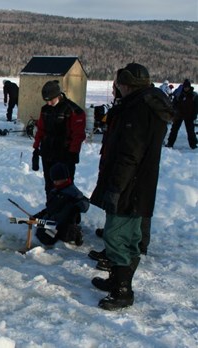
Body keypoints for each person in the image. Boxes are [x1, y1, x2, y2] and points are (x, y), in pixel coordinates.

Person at [89, 63, 173, 311]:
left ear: (126, 85)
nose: (117, 89)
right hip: (138, 183)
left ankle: (122, 290)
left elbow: (129, 154)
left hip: (130, 185)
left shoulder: (137, 110)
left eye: (119, 85)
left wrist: (116, 187)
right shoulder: (148, 105)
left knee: (116, 235)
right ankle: (117, 279)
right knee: (131, 236)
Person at [32, 80, 86, 197]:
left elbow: (78, 134)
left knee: (64, 186)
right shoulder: (45, 109)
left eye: (51, 100)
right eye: (46, 101)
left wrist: (73, 153)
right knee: (49, 185)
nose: (49, 103)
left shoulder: (72, 110)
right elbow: (40, 130)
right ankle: (51, 208)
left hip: (64, 154)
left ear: (58, 95)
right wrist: (36, 148)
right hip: (47, 153)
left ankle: (66, 212)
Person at [33, 163, 89, 246]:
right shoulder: (54, 191)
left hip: (66, 223)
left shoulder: (73, 191)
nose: (55, 182)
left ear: (65, 178)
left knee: (65, 237)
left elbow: (85, 203)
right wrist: (41, 214)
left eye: (58, 179)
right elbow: (51, 208)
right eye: (54, 180)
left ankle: (76, 233)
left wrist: (76, 209)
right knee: (44, 236)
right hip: (53, 223)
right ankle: (57, 234)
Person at [165, 79, 198, 149]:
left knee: (190, 131)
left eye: (187, 87)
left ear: (189, 87)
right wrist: (174, 112)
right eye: (185, 87)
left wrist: (194, 115)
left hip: (189, 115)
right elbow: (174, 104)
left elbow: (196, 106)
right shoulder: (179, 94)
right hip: (179, 115)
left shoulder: (193, 95)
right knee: (174, 130)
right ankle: (170, 143)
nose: (186, 88)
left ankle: (193, 145)